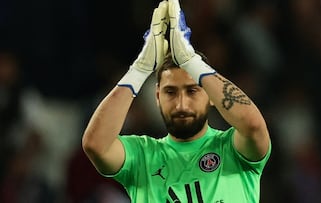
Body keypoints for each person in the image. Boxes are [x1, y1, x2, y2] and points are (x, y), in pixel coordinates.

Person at [82, 0, 271, 202]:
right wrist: (139, 70)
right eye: (170, 92)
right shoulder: (142, 157)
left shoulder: (232, 148)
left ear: (212, 96)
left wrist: (192, 63)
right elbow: (95, 145)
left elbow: (253, 125)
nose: (181, 104)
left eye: (192, 91)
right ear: (157, 97)